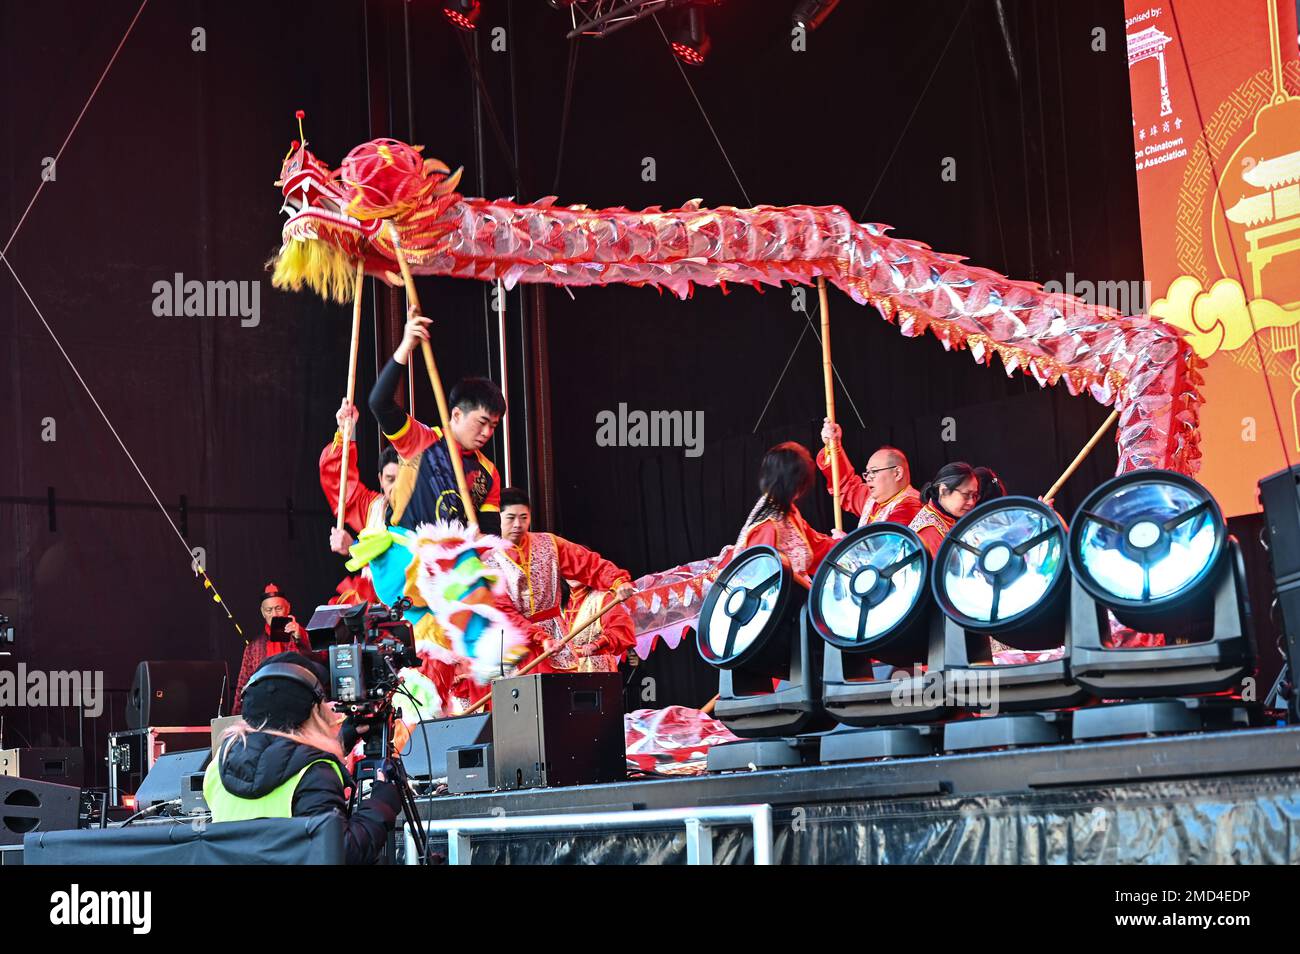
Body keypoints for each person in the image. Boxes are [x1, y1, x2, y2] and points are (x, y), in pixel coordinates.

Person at [204, 653, 401, 865]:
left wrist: (342, 741)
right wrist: (381, 804)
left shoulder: (218, 767)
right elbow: (341, 852)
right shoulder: (315, 771)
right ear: (314, 710)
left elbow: (271, 763)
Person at [368, 307, 504, 535]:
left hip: (452, 564)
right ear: (457, 414)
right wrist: (406, 346)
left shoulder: (488, 473)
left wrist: (482, 542)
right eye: (482, 422)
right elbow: (379, 403)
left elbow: (491, 534)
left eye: (493, 426)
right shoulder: (421, 439)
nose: (487, 432)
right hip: (407, 558)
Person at [496, 487, 637, 673]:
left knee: (559, 693)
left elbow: (587, 563)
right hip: (512, 641)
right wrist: (539, 637)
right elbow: (503, 611)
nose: (518, 524)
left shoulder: (549, 543)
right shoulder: (487, 558)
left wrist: (618, 581)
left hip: (555, 638)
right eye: (510, 518)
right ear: (497, 517)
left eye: (524, 517)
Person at [731, 442, 835, 585]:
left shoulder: (785, 510)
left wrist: (846, 544)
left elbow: (815, 544)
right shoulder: (768, 527)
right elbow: (762, 584)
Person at [320, 399, 401, 556]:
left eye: (402, 479)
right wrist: (345, 432)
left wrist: (354, 547)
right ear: (381, 480)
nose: (396, 486)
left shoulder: (426, 506)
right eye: (390, 479)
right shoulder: (375, 508)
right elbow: (339, 482)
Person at [818, 420, 922, 528]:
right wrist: (833, 447)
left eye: (874, 471)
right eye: (867, 473)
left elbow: (885, 542)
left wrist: (844, 540)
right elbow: (847, 486)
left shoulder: (911, 505)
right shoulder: (872, 500)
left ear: (897, 473)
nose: (868, 478)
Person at [234, 584, 310, 714]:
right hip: (264, 710)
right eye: (269, 610)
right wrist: (235, 718)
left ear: (288, 608)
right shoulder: (253, 647)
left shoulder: (301, 636)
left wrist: (299, 637)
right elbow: (243, 686)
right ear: (263, 613)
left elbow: (319, 661)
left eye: (278, 608)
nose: (274, 614)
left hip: (297, 707)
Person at [909, 462, 980, 557]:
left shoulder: (948, 517)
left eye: (974, 496)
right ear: (944, 491)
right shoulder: (930, 531)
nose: (971, 502)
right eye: (966, 495)